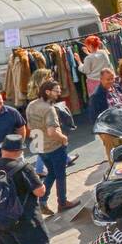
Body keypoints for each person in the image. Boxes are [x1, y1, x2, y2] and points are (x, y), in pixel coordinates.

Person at [25, 79, 80, 215]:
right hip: (54, 147)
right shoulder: (49, 109)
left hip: (40, 146)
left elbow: (29, 126)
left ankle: (42, 201)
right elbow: (52, 132)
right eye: (56, 91)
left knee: (52, 173)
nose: (59, 93)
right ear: (47, 92)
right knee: (60, 174)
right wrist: (64, 139)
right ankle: (62, 202)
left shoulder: (31, 105)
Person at [89, 68, 122, 155]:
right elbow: (93, 118)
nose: (111, 81)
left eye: (112, 78)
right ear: (101, 79)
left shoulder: (117, 87)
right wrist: (104, 136)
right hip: (109, 131)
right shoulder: (96, 96)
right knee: (114, 155)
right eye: (108, 79)